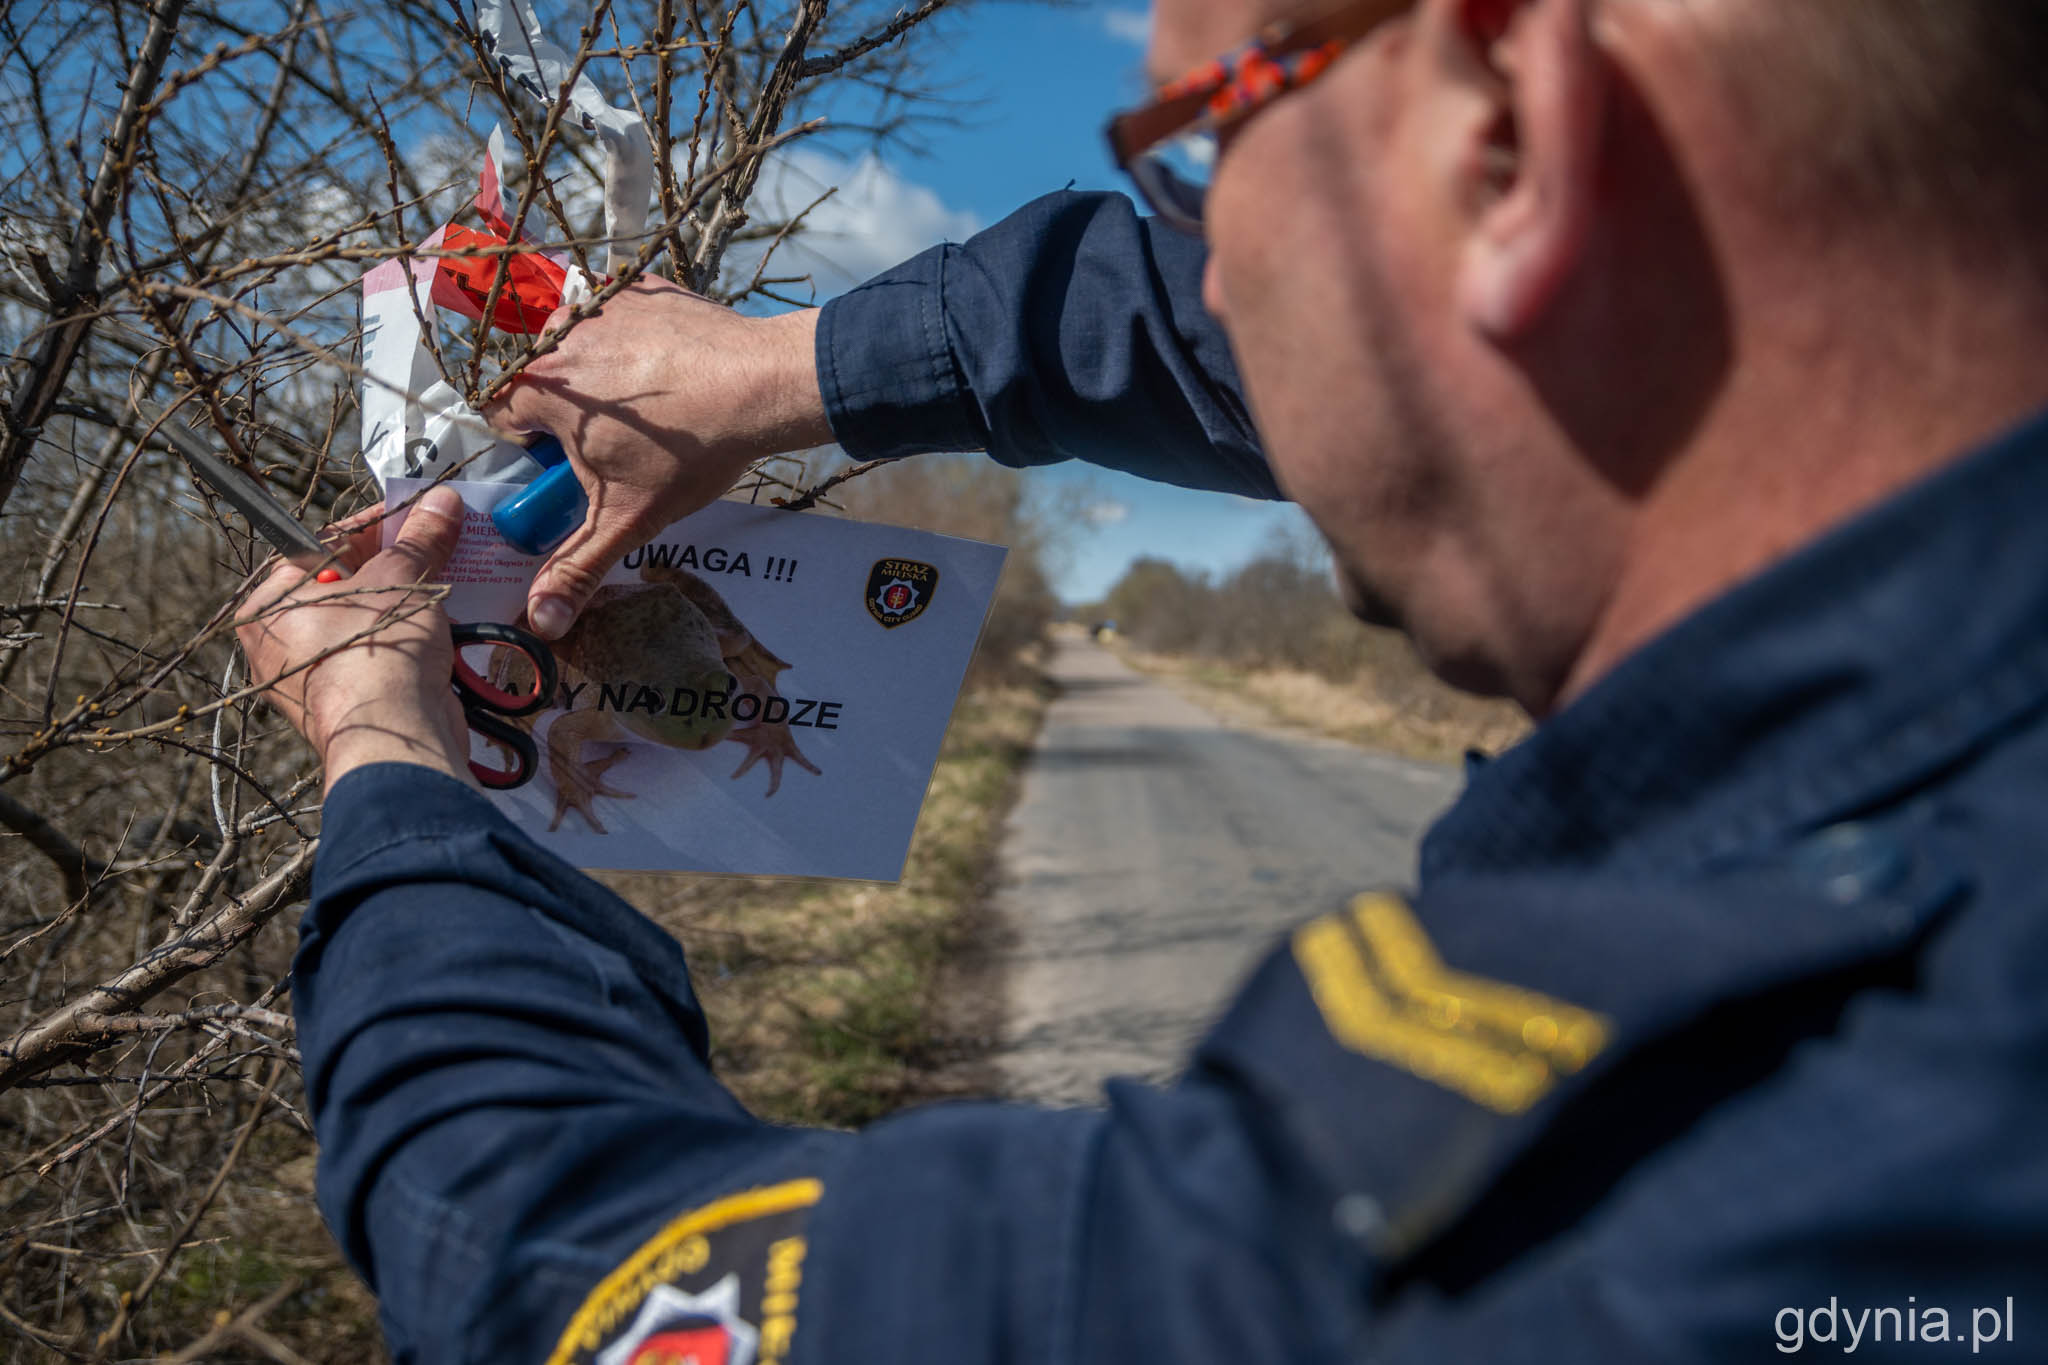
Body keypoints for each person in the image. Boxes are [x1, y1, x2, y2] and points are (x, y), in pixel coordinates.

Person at [239, 0, 2048, 1359]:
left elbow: (588, 1270)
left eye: (1198, 159)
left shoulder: (1667, 1188)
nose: (1209, 263)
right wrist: (799, 367)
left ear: (1504, 130)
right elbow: (1367, 329)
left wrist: (391, 760)